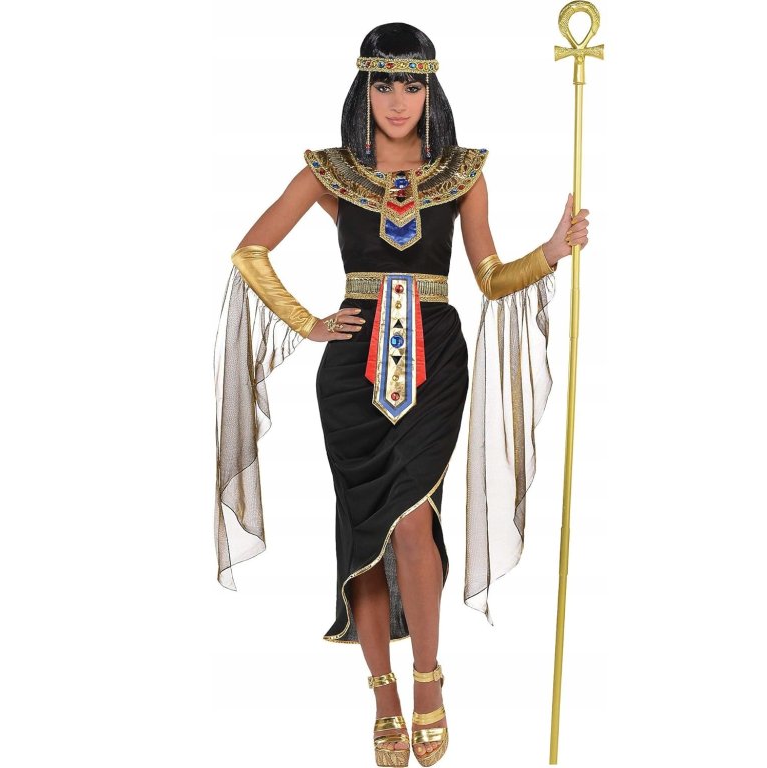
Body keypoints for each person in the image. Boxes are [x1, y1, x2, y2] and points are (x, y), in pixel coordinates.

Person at [213, 22, 590, 767]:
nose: (396, 100)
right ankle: (382, 692)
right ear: (364, 87)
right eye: (383, 83)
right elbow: (250, 250)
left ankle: (427, 678)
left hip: (434, 364)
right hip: (352, 372)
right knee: (365, 529)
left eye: (411, 84)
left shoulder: (461, 173)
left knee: (414, 518)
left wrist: (550, 253)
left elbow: (488, 278)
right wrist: (309, 322)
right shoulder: (332, 172)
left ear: (430, 90)